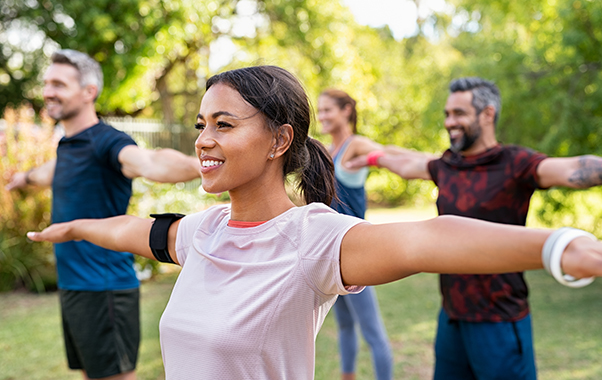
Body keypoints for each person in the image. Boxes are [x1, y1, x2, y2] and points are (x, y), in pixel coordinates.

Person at [26, 66, 602, 380]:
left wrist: (559, 246)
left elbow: (429, 238)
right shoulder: (203, 234)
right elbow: (131, 230)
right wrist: (74, 228)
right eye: (202, 124)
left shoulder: (313, 240)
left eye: (224, 124)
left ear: (280, 140)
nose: (203, 140)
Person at [346, 77, 602, 380]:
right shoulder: (446, 165)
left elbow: (573, 169)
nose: (449, 122)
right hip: (452, 319)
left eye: (458, 113)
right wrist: (372, 158)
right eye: (447, 114)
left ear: (487, 114)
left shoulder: (515, 163)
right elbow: (408, 164)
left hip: (499, 321)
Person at [6, 49, 201, 380]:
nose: (48, 91)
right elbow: (48, 173)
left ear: (88, 92)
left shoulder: (107, 142)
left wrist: (202, 166)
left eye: (59, 84)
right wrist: (22, 179)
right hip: (75, 287)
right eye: (47, 82)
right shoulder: (70, 145)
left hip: (104, 288)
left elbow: (148, 162)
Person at [317, 89, 392, 380]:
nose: (321, 116)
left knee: (372, 332)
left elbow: (388, 154)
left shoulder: (356, 145)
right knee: (345, 326)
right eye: (320, 111)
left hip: (357, 251)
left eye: (328, 110)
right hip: (331, 253)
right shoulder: (327, 150)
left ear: (346, 110)